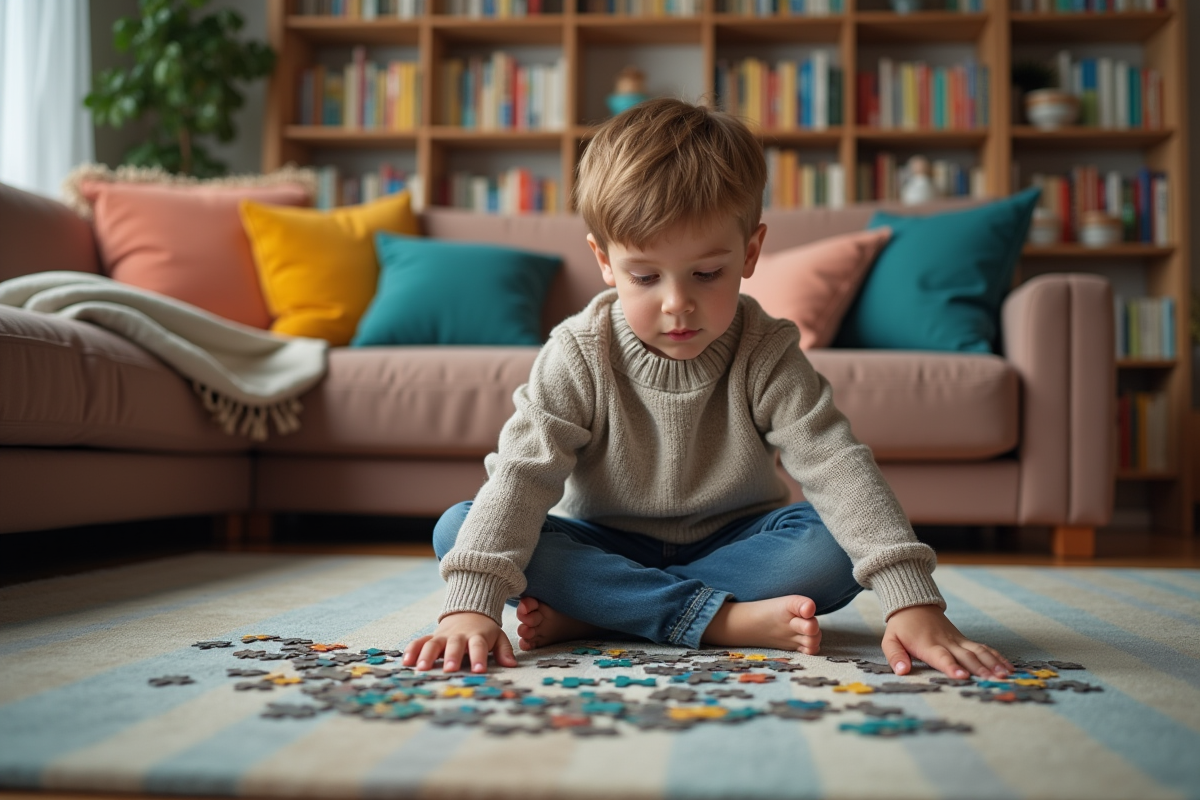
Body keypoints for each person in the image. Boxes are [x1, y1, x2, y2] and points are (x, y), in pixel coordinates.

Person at [401, 98, 1012, 682]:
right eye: (645, 276)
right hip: (603, 542)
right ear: (605, 262)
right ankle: (718, 620)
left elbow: (835, 463)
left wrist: (913, 601)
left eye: (707, 273)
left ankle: (603, 612)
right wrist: (470, 607)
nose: (677, 304)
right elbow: (521, 475)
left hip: (738, 542)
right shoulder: (578, 351)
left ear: (750, 254)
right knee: (461, 528)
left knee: (830, 546)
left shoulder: (766, 349)